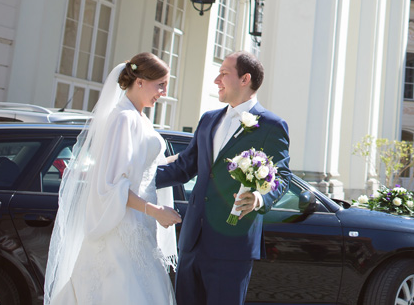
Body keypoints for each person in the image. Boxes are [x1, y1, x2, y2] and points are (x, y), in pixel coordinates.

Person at [45, 53, 181, 305]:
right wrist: (155, 211)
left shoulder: (139, 117)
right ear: (139, 81)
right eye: (160, 84)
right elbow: (112, 185)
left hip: (140, 226)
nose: (163, 91)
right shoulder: (123, 119)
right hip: (122, 227)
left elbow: (147, 167)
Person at [156, 51, 291, 305]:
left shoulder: (272, 125)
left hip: (233, 246)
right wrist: (135, 179)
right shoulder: (208, 120)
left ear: (245, 79)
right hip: (192, 241)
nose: (216, 80)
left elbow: (282, 176)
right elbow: (184, 168)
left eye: (224, 73)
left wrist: (259, 199)